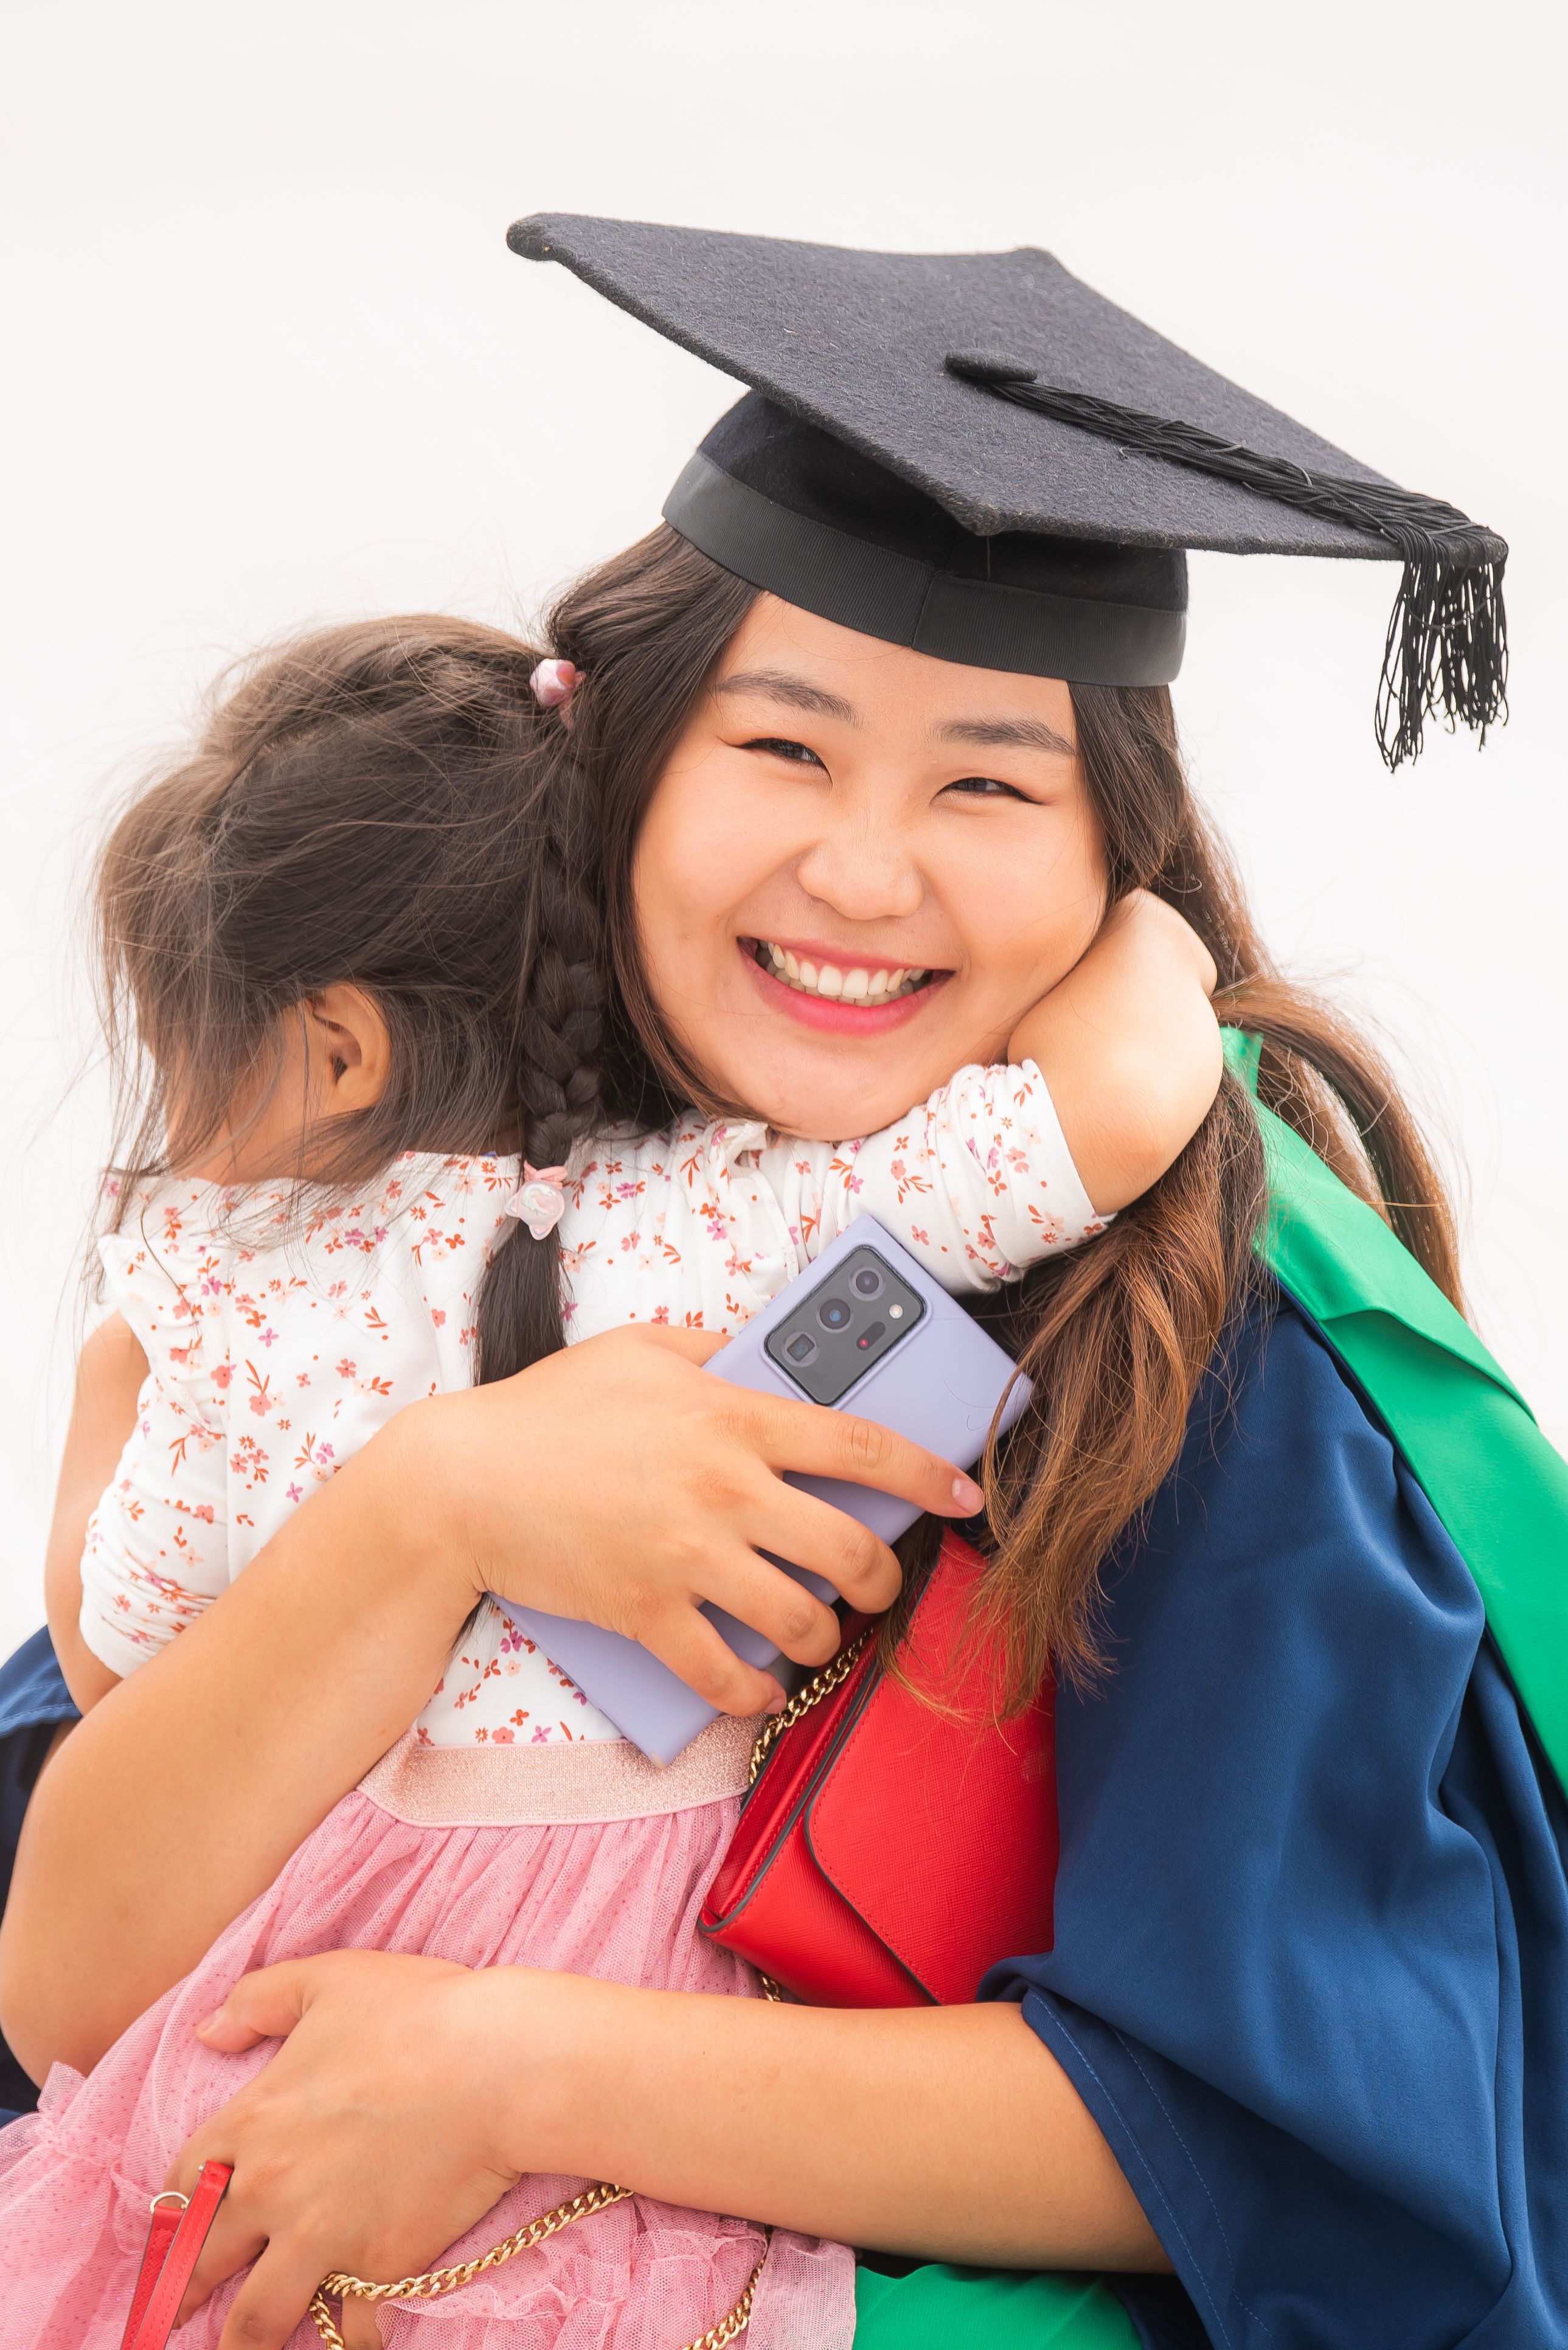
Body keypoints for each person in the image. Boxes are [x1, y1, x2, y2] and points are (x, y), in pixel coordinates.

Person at [0, 215, 1561, 2350]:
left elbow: (1308, 2120)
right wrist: (433, 1502)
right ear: (611, 776)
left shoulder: (1208, 1345)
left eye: (987, 785)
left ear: (1117, 861)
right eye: (782, 748)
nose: (861, 872)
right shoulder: (431, 1230)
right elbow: (71, 1947)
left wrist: (506, 2069)